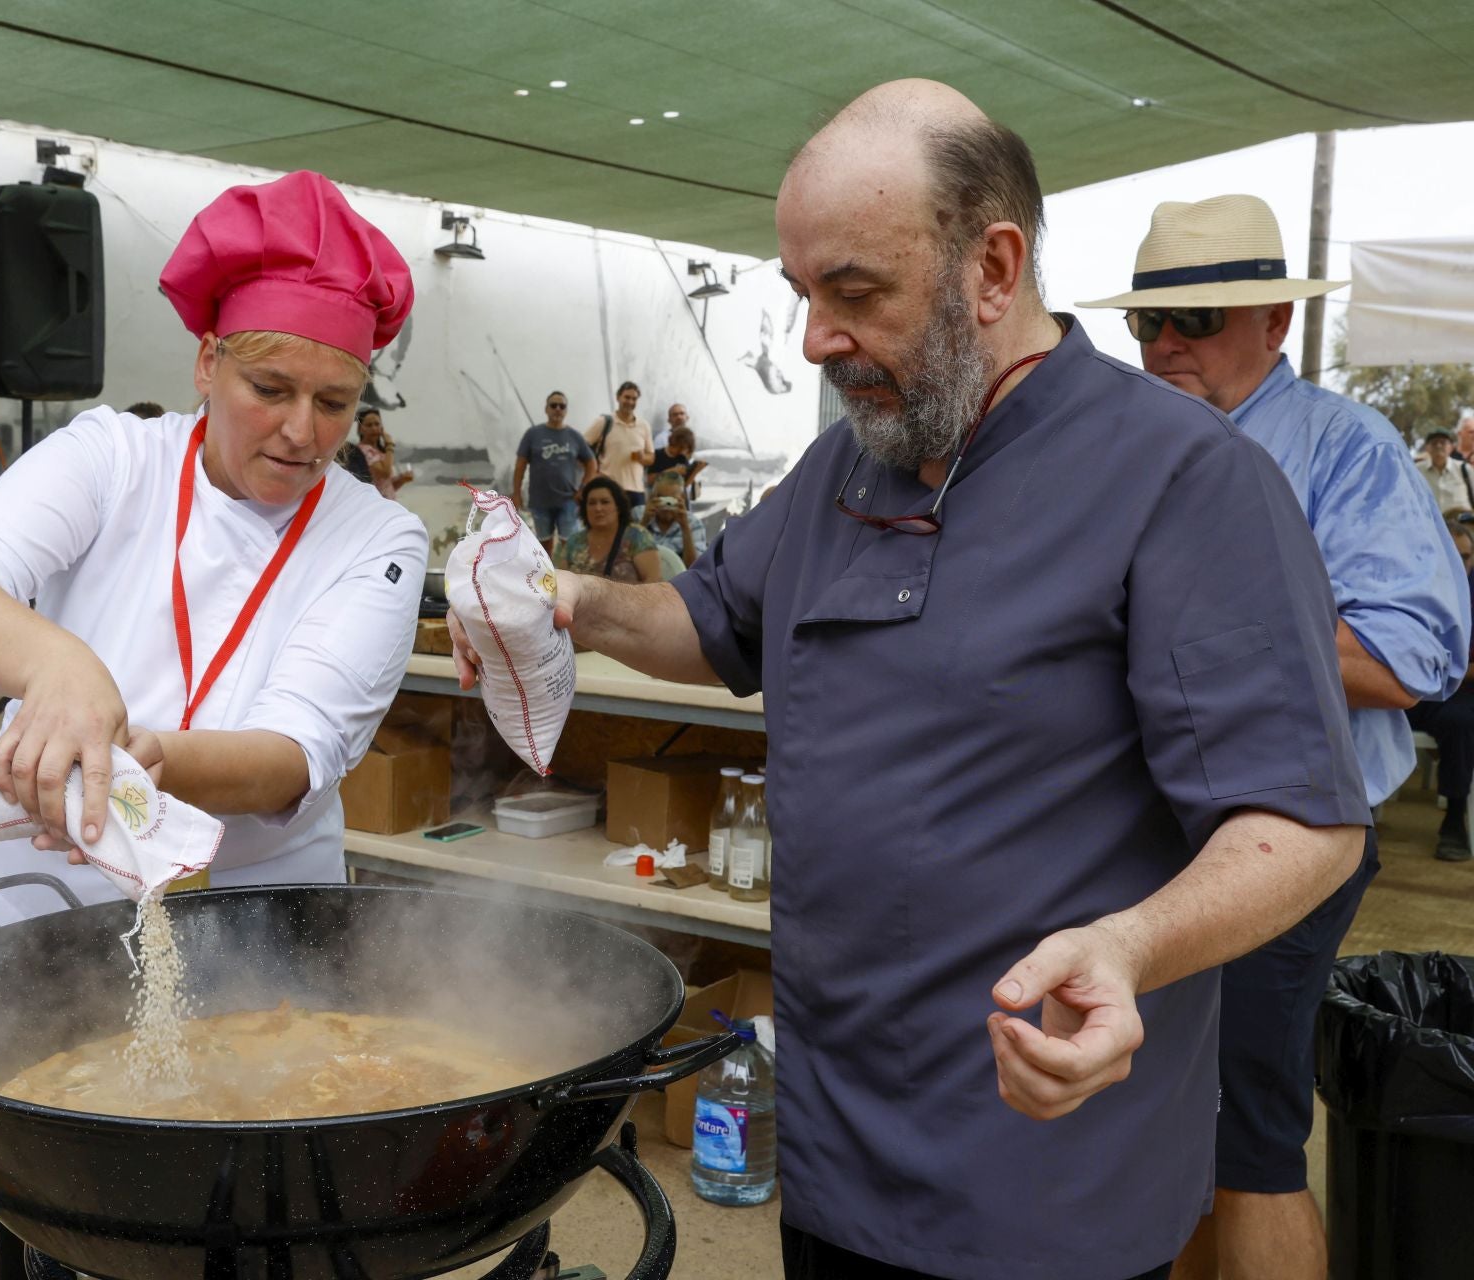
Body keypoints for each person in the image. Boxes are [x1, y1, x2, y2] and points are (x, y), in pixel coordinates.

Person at [453, 79, 1366, 1280]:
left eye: (856, 292)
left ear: (995, 267)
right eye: (803, 294)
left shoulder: (1182, 479)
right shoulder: (846, 464)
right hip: (835, 1137)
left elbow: (1302, 822)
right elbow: (713, 619)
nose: (814, 339)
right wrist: (572, 601)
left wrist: (1134, 945)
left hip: (1042, 1163)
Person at [1082, 191, 1470, 1280]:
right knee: (1176, 1131)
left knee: (1248, 1137)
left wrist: (1187, 633)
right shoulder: (1127, 446)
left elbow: (1409, 657)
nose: (1166, 343)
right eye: (1147, 322)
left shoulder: (1345, 447)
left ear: (1275, 322)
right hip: (1152, 840)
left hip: (1284, 835)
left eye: (1197, 321)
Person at [0, 169, 425, 924]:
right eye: (269, 390)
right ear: (208, 363)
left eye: (334, 402)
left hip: (257, 908)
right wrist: (59, 668)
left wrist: (137, 764)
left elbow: (296, 752)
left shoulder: (375, 534)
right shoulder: (114, 456)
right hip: (43, 901)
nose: (302, 432)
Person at [1409, 513, 1474, 863]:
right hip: (1409, 689)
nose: (1459, 563)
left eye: (1466, 556)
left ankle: (1454, 816)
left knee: (1460, 724)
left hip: (1456, 692)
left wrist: (1450, 671)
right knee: (1359, 711)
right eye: (1451, 554)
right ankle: (1363, 809)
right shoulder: (1410, 588)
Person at [512, 390, 596, 547]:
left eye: (562, 406)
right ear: (546, 409)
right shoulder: (532, 434)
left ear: (566, 411)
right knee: (543, 545)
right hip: (539, 502)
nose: (558, 409)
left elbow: (592, 463)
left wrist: (584, 488)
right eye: (553, 405)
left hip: (569, 501)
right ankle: (547, 565)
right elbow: (520, 466)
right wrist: (516, 494)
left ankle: (565, 565)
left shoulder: (574, 436)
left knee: (570, 544)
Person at [550, 475, 660, 584]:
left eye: (605, 502)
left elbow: (653, 583)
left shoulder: (637, 536)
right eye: (592, 503)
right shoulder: (574, 542)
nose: (598, 508)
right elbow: (561, 583)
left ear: (618, 507)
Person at [586, 380, 654, 510]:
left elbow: (651, 458)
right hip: (610, 489)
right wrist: (593, 473)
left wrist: (642, 458)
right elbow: (581, 448)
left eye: (634, 399)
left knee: (636, 523)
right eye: (627, 397)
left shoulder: (644, 425)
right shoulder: (604, 422)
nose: (630, 402)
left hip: (636, 491)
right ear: (618, 397)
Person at [635, 471, 706, 569]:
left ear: (682, 499)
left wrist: (685, 527)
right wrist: (644, 522)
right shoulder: (638, 514)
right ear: (652, 496)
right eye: (661, 498)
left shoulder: (694, 524)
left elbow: (694, 568)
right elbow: (624, 555)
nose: (665, 506)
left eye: (670, 500)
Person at [356, 407, 412, 500]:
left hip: (387, 502)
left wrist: (402, 480)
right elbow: (385, 472)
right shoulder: (363, 451)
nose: (374, 428)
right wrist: (389, 444)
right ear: (360, 429)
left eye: (377, 424)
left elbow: (387, 486)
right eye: (369, 425)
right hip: (375, 503)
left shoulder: (380, 452)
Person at [1417, 429, 1474, 514]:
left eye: (1443, 442)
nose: (1438, 446)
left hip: (1463, 520)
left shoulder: (1464, 469)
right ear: (1427, 448)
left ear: (1451, 447)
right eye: (1434, 443)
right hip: (1429, 521)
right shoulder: (1417, 471)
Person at [647, 421, 708, 499]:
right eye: (682, 448)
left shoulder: (682, 458)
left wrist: (696, 471)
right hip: (659, 498)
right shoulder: (657, 455)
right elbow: (650, 480)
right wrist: (671, 471)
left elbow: (685, 485)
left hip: (677, 499)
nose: (683, 451)